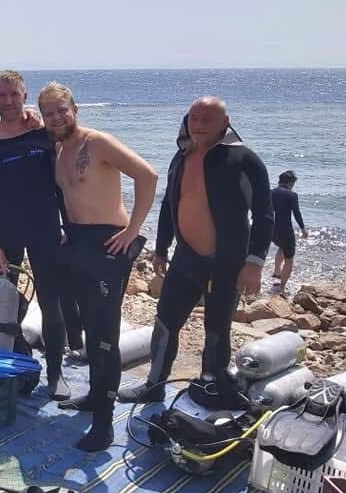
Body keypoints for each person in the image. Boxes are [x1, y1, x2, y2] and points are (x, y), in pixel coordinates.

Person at [117, 97, 273, 405]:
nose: (199, 125)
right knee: (165, 321)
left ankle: (210, 387)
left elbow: (265, 215)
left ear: (225, 123)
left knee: (216, 329)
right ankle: (153, 385)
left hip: (225, 264)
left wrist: (254, 262)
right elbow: (169, 204)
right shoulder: (182, 156)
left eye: (208, 119)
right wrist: (161, 248)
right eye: (195, 118)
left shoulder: (244, 160)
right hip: (186, 260)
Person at [39, 83, 158, 451]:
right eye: (49, 113)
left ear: (75, 108)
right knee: (91, 328)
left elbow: (148, 176)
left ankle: (104, 425)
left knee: (105, 334)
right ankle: (94, 396)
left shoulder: (98, 142)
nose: (57, 117)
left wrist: (133, 230)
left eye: (62, 110)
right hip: (77, 242)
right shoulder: (58, 149)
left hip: (109, 242)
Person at [0, 71, 71, 401]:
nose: (9, 101)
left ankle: (55, 373)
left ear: (25, 95)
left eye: (14, 94)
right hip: (6, 232)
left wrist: (68, 226)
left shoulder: (43, 133)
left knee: (50, 302)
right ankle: (2, 360)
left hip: (45, 228)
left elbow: (67, 179)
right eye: (2, 95)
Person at [271, 170, 308, 295]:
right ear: (291, 182)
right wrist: (303, 228)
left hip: (272, 230)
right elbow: (296, 213)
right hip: (286, 230)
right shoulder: (292, 195)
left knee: (281, 247)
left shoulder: (271, 193)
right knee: (289, 259)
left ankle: (276, 272)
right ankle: (281, 287)